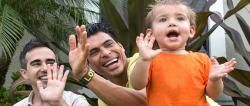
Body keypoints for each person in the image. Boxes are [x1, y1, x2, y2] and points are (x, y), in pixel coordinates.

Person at [130, 0, 237, 106]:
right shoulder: (150, 60)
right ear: (151, 33)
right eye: (163, 19)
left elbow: (213, 95)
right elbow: (137, 85)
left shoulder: (202, 60)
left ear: (191, 31)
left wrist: (214, 80)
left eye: (180, 18)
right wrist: (143, 60)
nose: (172, 23)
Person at [68, 23, 146, 106]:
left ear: (121, 47)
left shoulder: (142, 61)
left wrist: (85, 74)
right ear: (89, 64)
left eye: (109, 44)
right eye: (94, 52)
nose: (105, 53)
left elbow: (144, 102)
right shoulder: (103, 100)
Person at [14, 39, 90, 106]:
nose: (45, 68)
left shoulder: (75, 101)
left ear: (57, 68)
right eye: (36, 63)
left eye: (50, 62)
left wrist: (59, 103)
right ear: (25, 73)